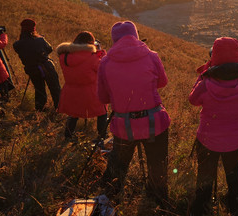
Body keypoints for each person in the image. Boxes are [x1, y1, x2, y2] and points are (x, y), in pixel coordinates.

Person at [98, 21, 170, 206]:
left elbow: (103, 97)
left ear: (115, 39)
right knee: (158, 164)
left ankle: (110, 199)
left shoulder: (105, 62)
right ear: (135, 35)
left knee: (118, 164)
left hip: (124, 126)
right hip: (155, 122)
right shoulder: (151, 56)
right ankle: (158, 200)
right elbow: (162, 82)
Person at [189, 37, 238, 216]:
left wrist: (205, 73)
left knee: (205, 176)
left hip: (207, 140)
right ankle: (235, 205)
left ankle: (201, 208)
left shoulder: (206, 84)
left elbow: (193, 100)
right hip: (236, 140)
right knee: (234, 173)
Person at [56, 31, 108, 141]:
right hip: (91, 93)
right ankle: (102, 136)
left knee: (73, 114)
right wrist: (101, 54)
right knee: (102, 113)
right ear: (90, 44)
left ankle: (68, 135)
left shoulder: (64, 56)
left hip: (71, 92)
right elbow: (104, 69)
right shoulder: (93, 58)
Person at [13, 18, 60, 111]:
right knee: (55, 88)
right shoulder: (40, 40)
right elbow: (49, 49)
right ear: (33, 29)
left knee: (39, 89)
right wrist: (40, 38)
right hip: (46, 67)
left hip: (32, 69)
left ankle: (40, 109)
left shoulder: (17, 44)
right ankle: (59, 108)